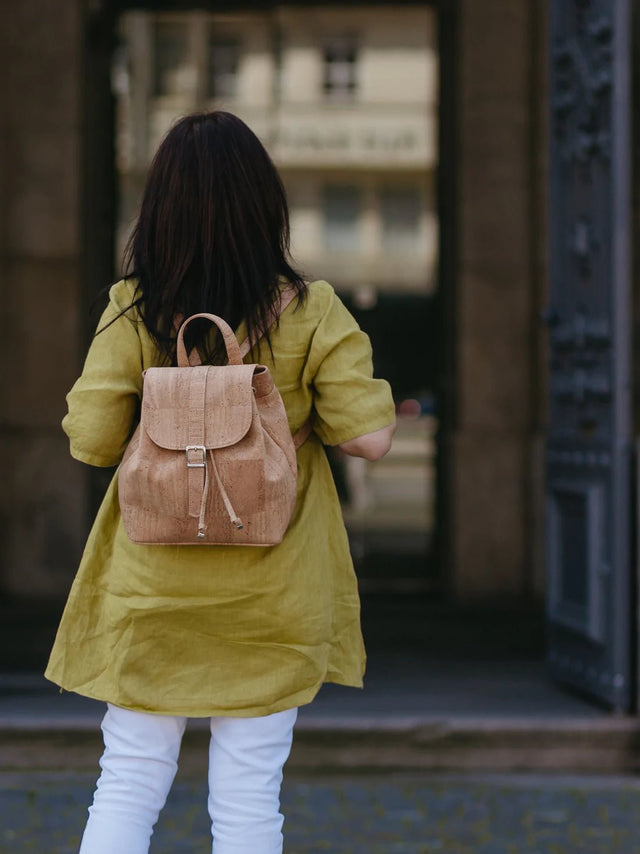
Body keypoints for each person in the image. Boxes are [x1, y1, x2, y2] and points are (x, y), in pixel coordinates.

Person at [45, 110, 396, 854]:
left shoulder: (133, 310)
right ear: (266, 205)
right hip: (272, 595)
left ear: (160, 209)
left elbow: (92, 440)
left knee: (130, 777)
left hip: (151, 593)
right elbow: (371, 439)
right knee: (248, 800)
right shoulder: (311, 310)